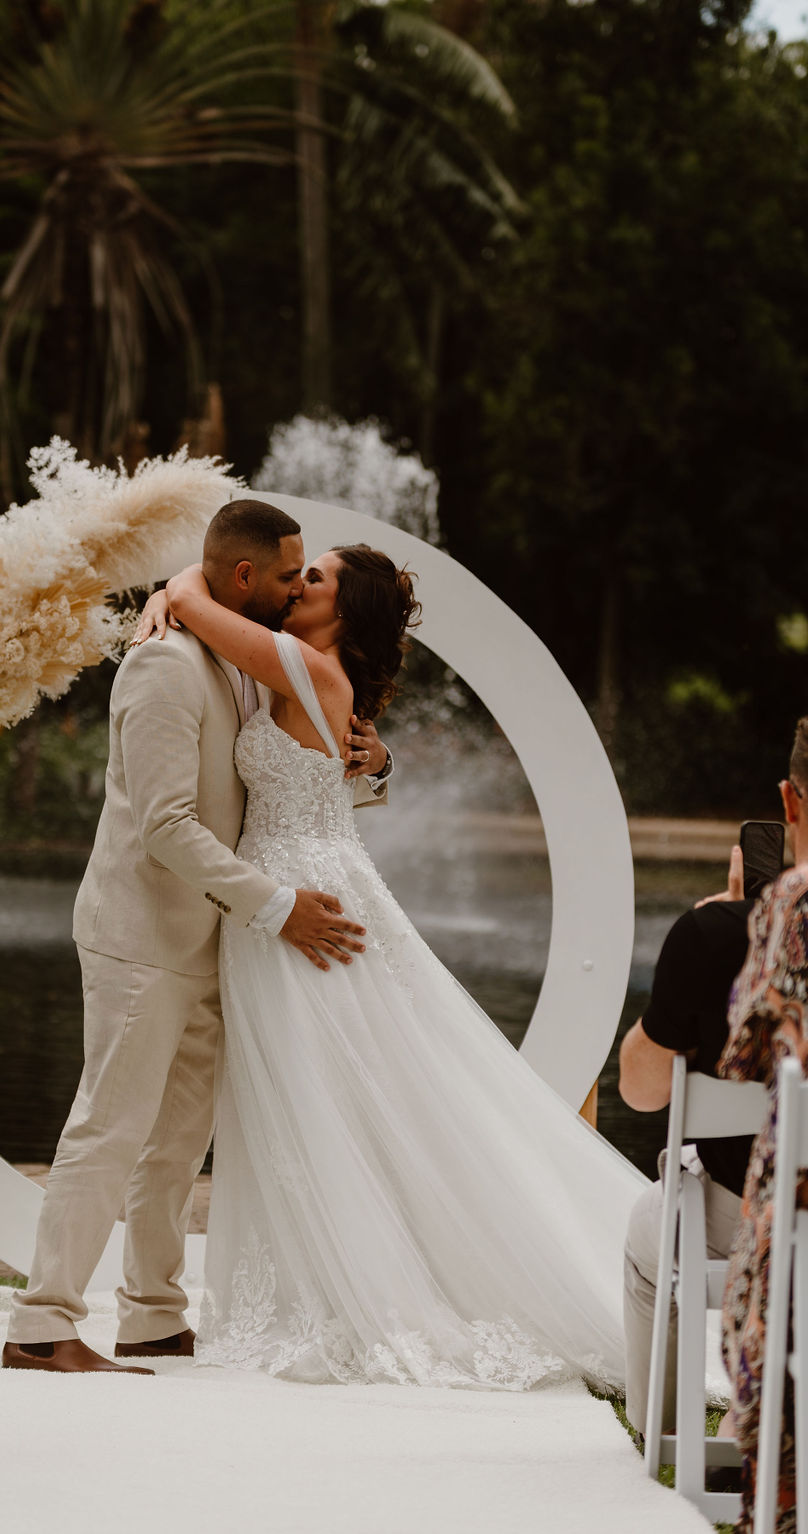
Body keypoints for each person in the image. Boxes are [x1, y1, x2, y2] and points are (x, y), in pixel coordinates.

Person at [143, 543, 647, 1389]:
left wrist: (171, 588)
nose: (295, 584)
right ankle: (330, 1278)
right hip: (298, 886)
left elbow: (195, 599)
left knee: (326, 1089)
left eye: (314, 578)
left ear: (342, 611)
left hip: (306, 903)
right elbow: (323, 774)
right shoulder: (310, 677)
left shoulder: (304, 662)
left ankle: (361, 1289)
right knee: (329, 1092)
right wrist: (376, 765)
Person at [3, 500, 389, 1373]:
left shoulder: (250, 661)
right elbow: (166, 827)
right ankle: (43, 1323)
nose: (298, 591)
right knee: (110, 1128)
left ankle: (152, 1313)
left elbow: (291, 781)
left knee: (178, 1143)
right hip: (144, 934)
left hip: (216, 940)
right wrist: (277, 907)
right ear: (246, 576)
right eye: (291, 575)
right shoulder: (164, 668)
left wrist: (374, 759)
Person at [617, 844, 754, 1442]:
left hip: (746, 1214)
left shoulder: (717, 935)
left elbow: (642, 1092)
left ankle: (665, 1429)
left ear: (790, 804)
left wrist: (711, 939)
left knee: (651, 1241)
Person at [720, 719, 808, 1533]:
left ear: (790, 803)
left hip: (797, 1234)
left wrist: (724, 918)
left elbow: (741, 1058)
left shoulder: (788, 905)